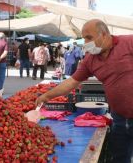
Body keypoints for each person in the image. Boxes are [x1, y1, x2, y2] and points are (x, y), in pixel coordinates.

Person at [36, 19, 133, 163]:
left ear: (104, 34)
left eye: (89, 37)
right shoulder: (90, 60)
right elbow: (72, 82)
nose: (86, 42)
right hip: (119, 118)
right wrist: (47, 95)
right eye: (84, 38)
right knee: (119, 157)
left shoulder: (128, 42)